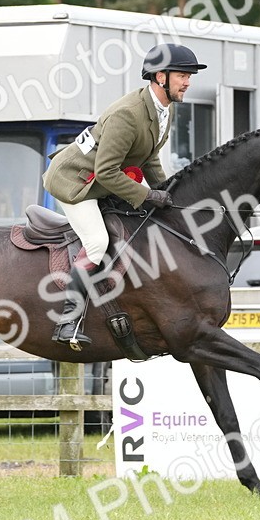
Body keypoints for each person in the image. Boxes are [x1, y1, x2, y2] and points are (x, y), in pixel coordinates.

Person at [41, 42, 207, 349]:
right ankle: (68, 321)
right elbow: (106, 172)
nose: (188, 82)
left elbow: (149, 158)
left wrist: (169, 192)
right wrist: (146, 195)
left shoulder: (162, 111)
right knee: (97, 243)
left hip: (100, 180)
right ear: (160, 77)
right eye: (183, 75)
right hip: (75, 182)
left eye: (189, 75)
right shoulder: (127, 114)